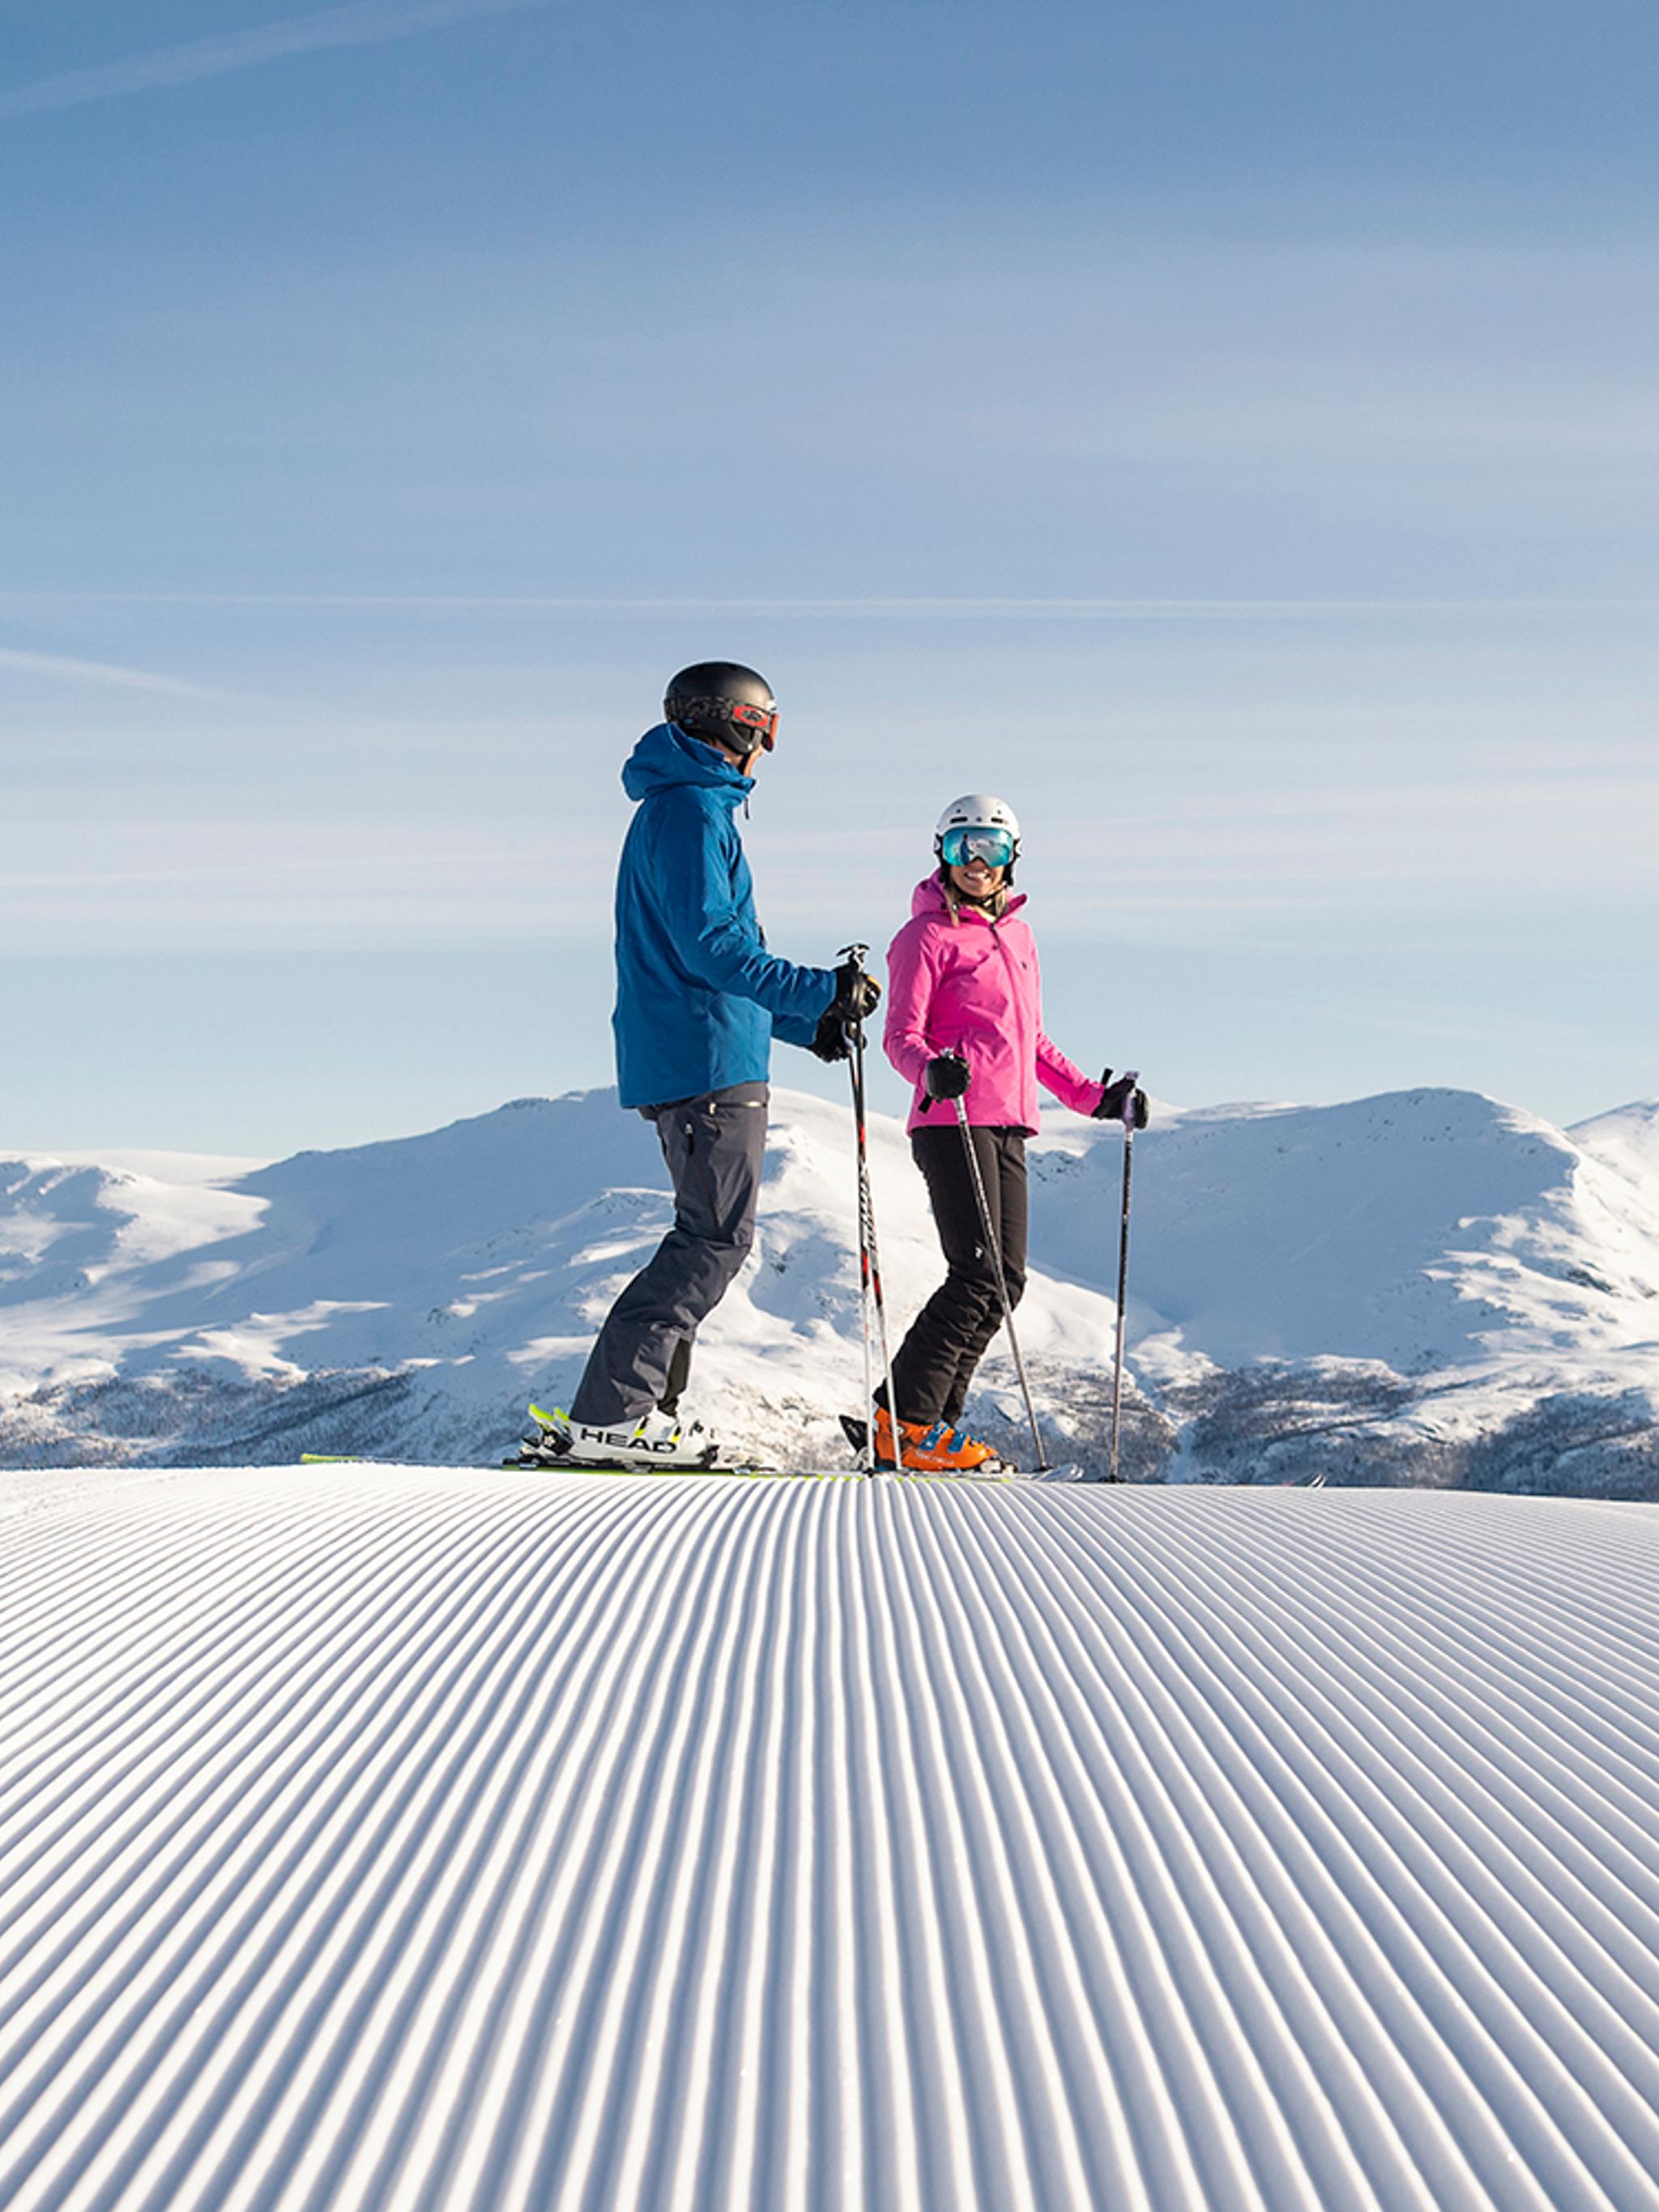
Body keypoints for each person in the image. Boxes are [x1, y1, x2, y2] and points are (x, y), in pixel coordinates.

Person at [530, 661, 879, 1470]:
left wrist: (804, 1023)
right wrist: (821, 988)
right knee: (711, 1242)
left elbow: (714, 959)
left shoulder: (685, 808)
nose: (768, 747)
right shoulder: (689, 812)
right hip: (703, 1059)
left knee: (705, 1238)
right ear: (739, 723)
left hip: (702, 1049)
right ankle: (612, 1418)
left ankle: (637, 1417)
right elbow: (713, 950)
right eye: (770, 727)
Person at [877, 794, 1146, 1472]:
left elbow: (1031, 1041)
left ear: (1012, 858)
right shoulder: (923, 938)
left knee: (1005, 1282)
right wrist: (932, 1070)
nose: (976, 861)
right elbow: (900, 1036)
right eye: (962, 846)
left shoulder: (1019, 938)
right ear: (940, 852)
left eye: (991, 848)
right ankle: (903, 1424)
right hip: (951, 1119)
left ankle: (933, 1429)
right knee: (974, 1274)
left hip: (1009, 1124)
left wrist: (1095, 1097)